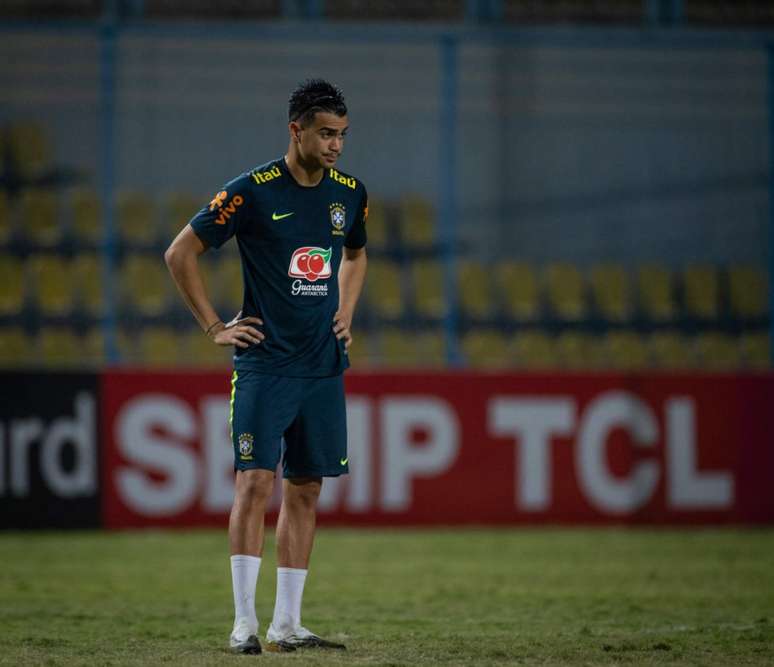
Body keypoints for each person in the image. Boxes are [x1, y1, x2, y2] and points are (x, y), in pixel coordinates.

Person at [164, 78, 368, 655]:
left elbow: (355, 253)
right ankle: (243, 625)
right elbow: (180, 252)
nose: (335, 146)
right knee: (254, 483)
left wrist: (346, 312)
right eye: (325, 134)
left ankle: (287, 625)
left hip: (323, 366)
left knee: (306, 489)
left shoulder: (350, 194)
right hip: (264, 365)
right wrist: (214, 327)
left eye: (343, 136)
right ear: (295, 130)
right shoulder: (250, 190)